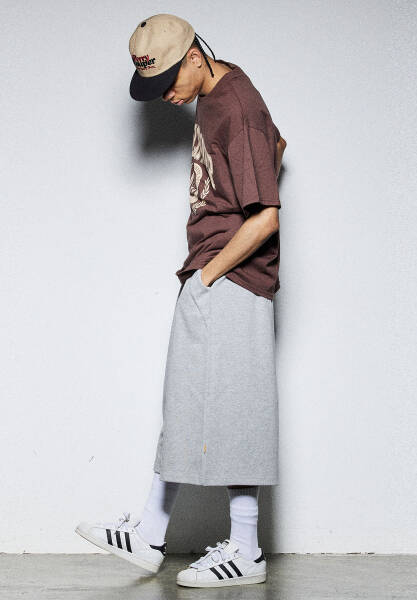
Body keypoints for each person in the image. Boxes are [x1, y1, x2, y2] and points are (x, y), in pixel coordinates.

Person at [75, 13, 287, 588]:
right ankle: (150, 531)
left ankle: (245, 549)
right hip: (214, 273)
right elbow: (277, 145)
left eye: (169, 81)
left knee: (235, 410)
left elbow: (266, 215)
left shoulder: (235, 106)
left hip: (229, 277)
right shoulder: (221, 95)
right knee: (189, 403)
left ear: (196, 55)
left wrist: (211, 275)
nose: (167, 96)